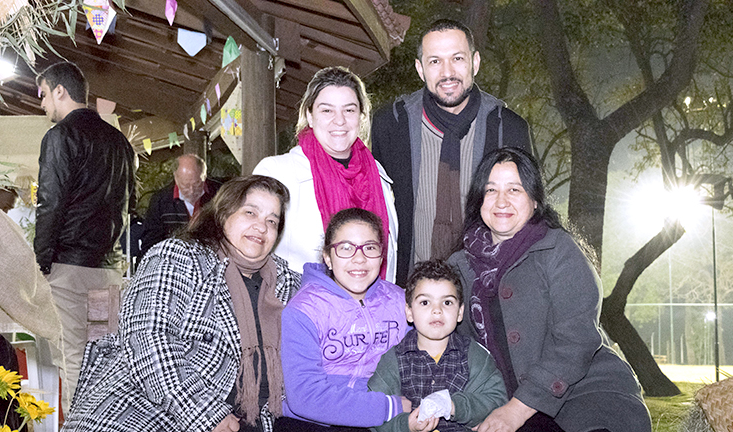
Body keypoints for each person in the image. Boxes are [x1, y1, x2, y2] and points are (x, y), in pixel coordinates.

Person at [57, 175, 300, 432]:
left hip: (232, 416)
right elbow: (149, 338)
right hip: (138, 403)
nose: (261, 227)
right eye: (250, 212)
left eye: (272, 220)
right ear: (223, 214)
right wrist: (201, 412)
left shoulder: (287, 283)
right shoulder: (178, 256)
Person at [448, 148, 652, 432]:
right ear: (478, 201)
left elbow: (577, 339)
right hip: (518, 406)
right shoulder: (459, 267)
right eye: (491, 190)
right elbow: (449, 344)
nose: (502, 200)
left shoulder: (558, 249)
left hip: (589, 390)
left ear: (535, 200)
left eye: (515, 189)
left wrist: (515, 411)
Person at [268, 208, 409, 432]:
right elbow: (304, 396)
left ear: (381, 255)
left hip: (359, 426)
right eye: (345, 248)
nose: (359, 258)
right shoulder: (303, 309)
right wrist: (388, 406)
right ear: (328, 257)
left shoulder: (399, 302)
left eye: (369, 247)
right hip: (301, 424)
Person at [32, 61, 136, 432]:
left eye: (43, 94)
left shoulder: (60, 136)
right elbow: (127, 207)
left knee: (75, 360)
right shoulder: (119, 142)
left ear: (60, 91)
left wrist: (41, 259)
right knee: (104, 361)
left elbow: (51, 202)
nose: (42, 104)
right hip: (108, 269)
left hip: (69, 267)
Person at [372, 19, 530, 286]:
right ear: (420, 69)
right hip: (407, 290)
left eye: (457, 58)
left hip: (486, 290)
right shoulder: (392, 125)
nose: (447, 72)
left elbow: (530, 218)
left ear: (475, 63)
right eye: (435, 61)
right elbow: (374, 211)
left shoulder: (507, 128)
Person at [368, 259, 507, 432]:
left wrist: (456, 405)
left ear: (460, 312)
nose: (436, 310)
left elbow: (496, 397)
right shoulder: (394, 359)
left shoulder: (474, 355)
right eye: (424, 302)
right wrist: (406, 424)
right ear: (409, 312)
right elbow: (376, 410)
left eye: (447, 302)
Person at [254, 66, 398, 281]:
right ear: (310, 116)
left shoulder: (378, 177)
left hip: (375, 301)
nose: (339, 120)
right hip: (301, 301)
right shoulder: (277, 174)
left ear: (361, 117)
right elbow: (251, 252)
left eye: (349, 110)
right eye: (327, 110)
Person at [139, 154, 220, 259]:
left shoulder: (219, 194)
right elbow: (151, 242)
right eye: (186, 185)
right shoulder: (160, 200)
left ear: (204, 176)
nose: (191, 190)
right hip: (173, 260)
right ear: (176, 178)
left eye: (197, 184)